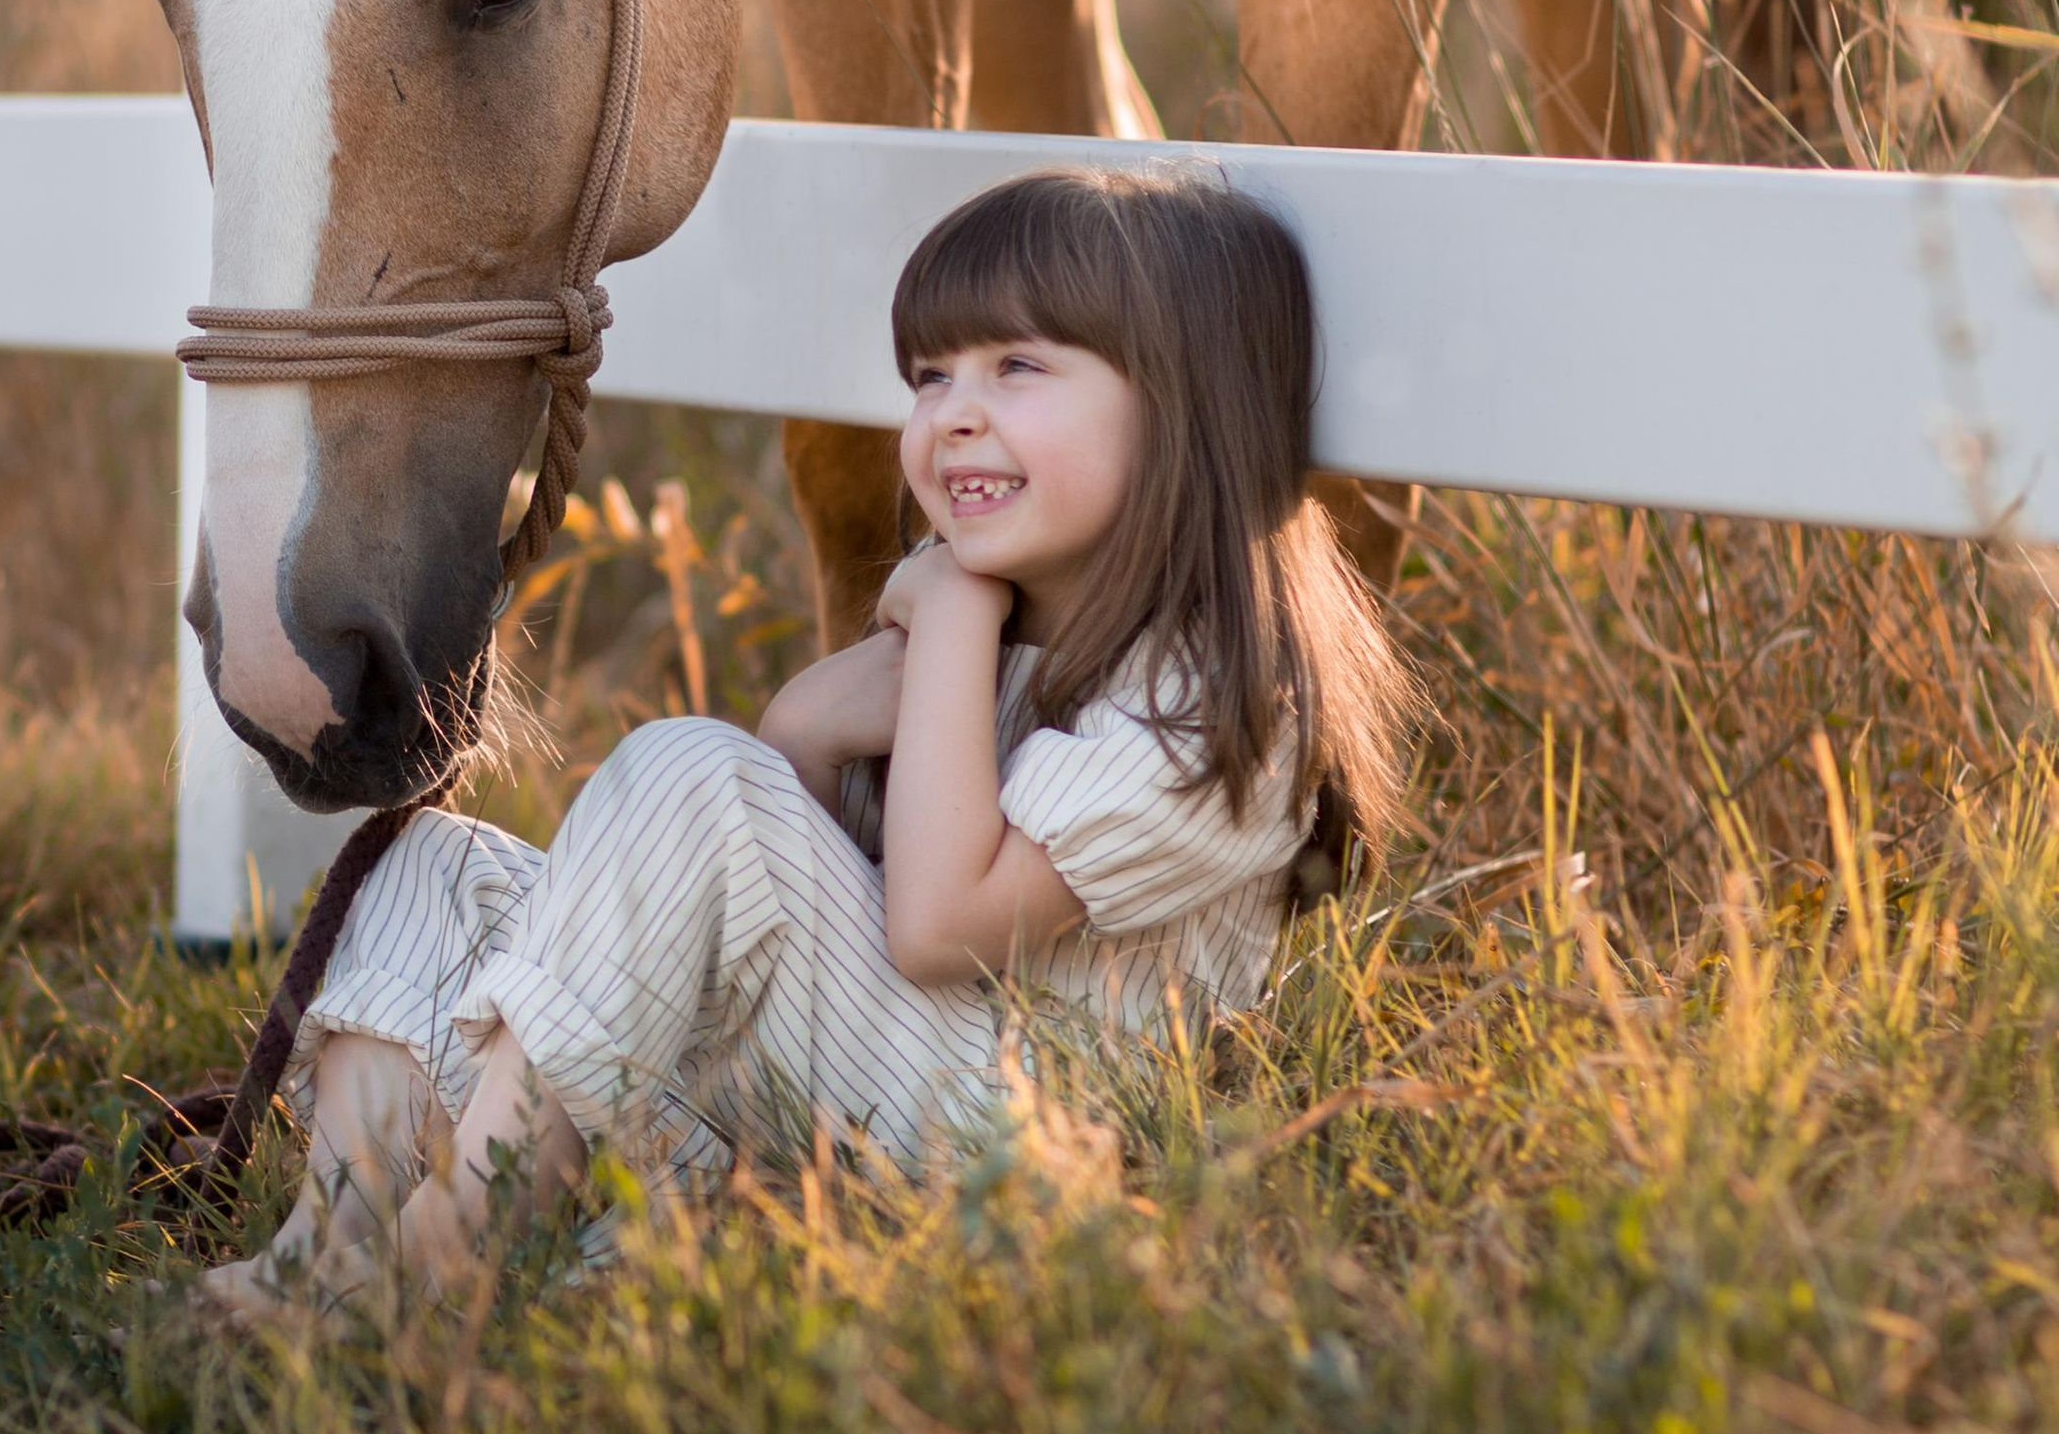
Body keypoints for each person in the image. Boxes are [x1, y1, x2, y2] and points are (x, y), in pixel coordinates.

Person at [201, 163, 1410, 1324]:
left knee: (688, 770)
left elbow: (936, 931)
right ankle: (333, 1246)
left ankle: (458, 1237)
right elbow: (759, 913)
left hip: (1022, 1156)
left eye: (1020, 366)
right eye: (930, 377)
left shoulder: (1211, 710)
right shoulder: (978, 642)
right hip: (844, 1107)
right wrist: (806, 731)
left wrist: (938, 625)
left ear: (1187, 412)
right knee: (441, 861)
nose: (956, 416)